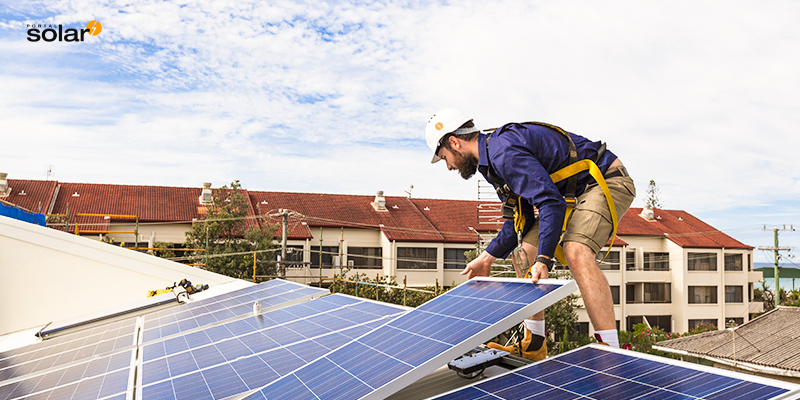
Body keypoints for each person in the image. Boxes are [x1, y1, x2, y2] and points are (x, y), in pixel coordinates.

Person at [425, 108, 635, 361]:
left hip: (604, 180)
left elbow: (550, 203)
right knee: (524, 253)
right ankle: (534, 344)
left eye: (445, 157)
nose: (448, 166)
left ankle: (611, 353)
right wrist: (487, 258)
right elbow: (520, 218)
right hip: (567, 194)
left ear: (454, 142)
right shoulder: (490, 163)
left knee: (575, 251)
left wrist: (544, 259)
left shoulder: (503, 152)